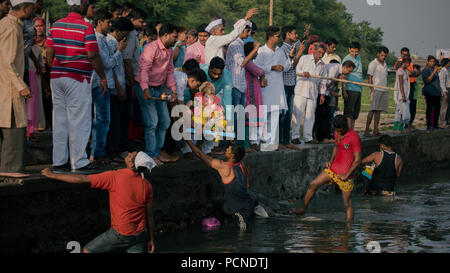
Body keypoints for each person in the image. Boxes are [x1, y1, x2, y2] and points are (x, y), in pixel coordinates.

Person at [41, 151, 156, 253]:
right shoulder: (147, 184)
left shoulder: (115, 177)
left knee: (87, 250)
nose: (128, 154)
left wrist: (54, 175)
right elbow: (149, 214)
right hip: (140, 234)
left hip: (121, 233)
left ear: (131, 164)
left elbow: (82, 179)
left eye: (131, 155)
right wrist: (151, 239)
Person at [46, 0, 107, 172]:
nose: (92, 9)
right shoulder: (85, 27)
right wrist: (103, 77)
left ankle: (59, 161)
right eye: (90, 6)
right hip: (78, 77)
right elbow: (92, 55)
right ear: (82, 7)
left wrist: (57, 68)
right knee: (79, 120)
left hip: (57, 77)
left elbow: (49, 52)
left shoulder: (56, 25)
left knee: (59, 120)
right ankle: (79, 162)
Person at [290, 115, 361, 224]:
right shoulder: (337, 133)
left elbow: (357, 160)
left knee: (347, 203)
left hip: (346, 175)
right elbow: (336, 146)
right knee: (313, 184)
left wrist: (346, 175)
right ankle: (303, 209)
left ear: (346, 127)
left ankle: (348, 230)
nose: (338, 133)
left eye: (340, 131)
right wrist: (331, 161)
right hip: (333, 169)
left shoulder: (354, 137)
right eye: (336, 130)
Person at [185, 140, 254, 231]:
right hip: (247, 203)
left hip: (241, 211)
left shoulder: (225, 167)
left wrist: (187, 139)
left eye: (228, 150)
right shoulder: (243, 164)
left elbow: (199, 154)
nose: (226, 150)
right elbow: (247, 184)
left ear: (232, 156)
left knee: (243, 235)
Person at [0, 0, 35, 178]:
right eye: (32, 8)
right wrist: (21, 86)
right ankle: (10, 168)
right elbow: (7, 62)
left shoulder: (10, 24)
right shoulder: (11, 27)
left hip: (8, 83)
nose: (33, 11)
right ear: (24, 8)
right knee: (13, 124)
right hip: (10, 86)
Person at [135, 23, 178, 166]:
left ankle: (157, 152)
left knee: (165, 121)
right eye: (174, 36)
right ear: (166, 35)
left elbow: (170, 70)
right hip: (146, 88)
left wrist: (173, 89)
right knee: (152, 123)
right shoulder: (151, 48)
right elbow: (144, 70)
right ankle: (151, 154)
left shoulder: (170, 50)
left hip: (159, 89)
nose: (176, 39)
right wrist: (145, 88)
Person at [90, 10, 126, 164]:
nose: (110, 25)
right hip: (100, 84)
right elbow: (108, 63)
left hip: (104, 84)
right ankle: (98, 153)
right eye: (108, 22)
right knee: (102, 120)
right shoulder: (97, 40)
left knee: (102, 120)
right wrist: (119, 51)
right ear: (99, 22)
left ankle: (97, 152)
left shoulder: (103, 39)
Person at [254, 26, 291, 152]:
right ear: (270, 37)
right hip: (266, 88)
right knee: (263, 115)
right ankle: (259, 142)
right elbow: (257, 67)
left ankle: (271, 144)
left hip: (277, 89)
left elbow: (286, 67)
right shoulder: (262, 51)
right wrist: (272, 67)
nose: (279, 38)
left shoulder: (280, 51)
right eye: (277, 36)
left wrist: (290, 58)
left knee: (275, 116)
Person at [106, 17, 135, 163]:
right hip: (115, 90)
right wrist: (119, 88)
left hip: (121, 87)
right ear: (117, 30)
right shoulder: (110, 43)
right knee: (115, 122)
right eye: (125, 33)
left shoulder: (118, 44)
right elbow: (110, 68)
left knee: (122, 120)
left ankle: (120, 149)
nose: (126, 37)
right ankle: (112, 151)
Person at [225, 21, 255, 150]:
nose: (248, 34)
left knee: (240, 116)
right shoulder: (235, 44)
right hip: (234, 84)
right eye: (247, 31)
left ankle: (239, 145)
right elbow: (242, 63)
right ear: (241, 31)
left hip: (240, 85)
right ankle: (233, 145)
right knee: (236, 117)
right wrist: (254, 50)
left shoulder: (239, 44)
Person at [291, 43, 327, 145]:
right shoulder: (304, 58)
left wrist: (322, 94)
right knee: (297, 114)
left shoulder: (323, 65)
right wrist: (303, 72)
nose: (320, 55)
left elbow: (323, 80)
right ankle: (295, 136)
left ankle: (308, 137)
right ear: (314, 50)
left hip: (313, 93)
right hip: (301, 90)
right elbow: (296, 68)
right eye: (319, 52)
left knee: (310, 115)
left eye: (322, 53)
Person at [279, 25, 306, 149]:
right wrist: (299, 54)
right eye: (295, 33)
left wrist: (305, 35)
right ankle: (280, 141)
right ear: (288, 34)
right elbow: (289, 67)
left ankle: (286, 141)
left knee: (289, 114)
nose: (296, 36)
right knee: (283, 114)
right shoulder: (283, 49)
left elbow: (301, 41)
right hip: (284, 84)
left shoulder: (293, 46)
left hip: (291, 84)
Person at [244, 42, 265, 151]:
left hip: (253, 91)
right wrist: (262, 75)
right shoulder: (248, 62)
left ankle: (255, 141)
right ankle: (253, 142)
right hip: (251, 92)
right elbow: (259, 71)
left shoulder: (249, 61)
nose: (257, 53)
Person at [364, 46, 389, 136]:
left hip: (384, 89)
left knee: (378, 111)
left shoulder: (385, 64)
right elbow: (369, 77)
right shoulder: (373, 63)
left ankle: (376, 130)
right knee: (372, 109)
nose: (383, 57)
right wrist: (372, 90)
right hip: (376, 89)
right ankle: (366, 130)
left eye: (385, 56)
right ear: (378, 54)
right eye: (382, 55)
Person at [33, 16, 51, 130]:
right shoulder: (30, 42)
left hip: (47, 75)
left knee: (48, 99)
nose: (39, 28)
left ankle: (48, 124)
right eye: (37, 26)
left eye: (41, 25)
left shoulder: (49, 41)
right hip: (33, 75)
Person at [394, 47, 420, 128]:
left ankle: (408, 124)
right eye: (404, 55)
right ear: (401, 55)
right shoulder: (399, 64)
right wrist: (411, 71)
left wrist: (411, 71)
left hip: (410, 86)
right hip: (401, 89)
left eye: (407, 55)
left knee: (410, 107)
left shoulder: (410, 64)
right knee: (400, 108)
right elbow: (410, 73)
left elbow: (417, 73)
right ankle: (398, 126)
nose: (406, 57)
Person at [342, 42, 363, 130]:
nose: (354, 53)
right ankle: (348, 132)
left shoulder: (359, 57)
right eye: (352, 51)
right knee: (349, 113)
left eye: (356, 52)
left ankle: (352, 132)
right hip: (350, 88)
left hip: (358, 89)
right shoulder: (346, 59)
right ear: (349, 50)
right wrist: (344, 90)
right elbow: (343, 75)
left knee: (355, 113)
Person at [422, 55, 443, 130]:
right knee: (429, 109)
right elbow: (427, 80)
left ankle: (435, 124)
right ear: (428, 62)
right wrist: (434, 72)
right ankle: (429, 125)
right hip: (429, 92)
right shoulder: (426, 70)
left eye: (434, 61)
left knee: (437, 109)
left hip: (437, 93)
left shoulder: (435, 70)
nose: (432, 63)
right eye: (431, 61)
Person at [393, 55, 412, 133]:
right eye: (407, 63)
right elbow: (400, 84)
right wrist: (403, 95)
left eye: (409, 63)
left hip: (405, 94)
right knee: (398, 112)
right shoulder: (400, 71)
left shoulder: (406, 71)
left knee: (403, 113)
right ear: (403, 63)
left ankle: (401, 128)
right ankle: (395, 129)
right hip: (400, 95)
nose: (408, 65)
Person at [439, 58, 450, 126]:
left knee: (447, 106)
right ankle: (442, 120)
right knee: (444, 105)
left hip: (448, 89)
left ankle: (447, 119)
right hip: (445, 90)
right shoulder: (443, 71)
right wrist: (445, 92)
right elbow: (442, 82)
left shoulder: (447, 70)